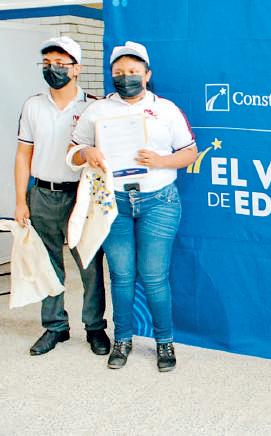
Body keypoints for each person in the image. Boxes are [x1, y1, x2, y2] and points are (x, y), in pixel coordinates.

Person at [70, 41, 198, 372]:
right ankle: (123, 339)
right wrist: (86, 153)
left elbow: (189, 152)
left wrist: (160, 160)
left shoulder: (165, 109)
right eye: (119, 72)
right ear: (111, 75)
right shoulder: (97, 110)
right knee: (121, 275)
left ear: (147, 74)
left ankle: (164, 341)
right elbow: (73, 150)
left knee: (154, 276)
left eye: (133, 71)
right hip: (114, 202)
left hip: (158, 201)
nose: (126, 77)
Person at [15, 36, 109, 356]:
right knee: (47, 264)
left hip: (81, 196)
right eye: (47, 63)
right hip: (42, 194)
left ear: (76, 68)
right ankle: (55, 326)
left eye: (60, 63)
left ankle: (95, 327)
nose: (52, 69)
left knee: (89, 265)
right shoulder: (33, 105)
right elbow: (23, 155)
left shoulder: (93, 106)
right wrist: (20, 200)